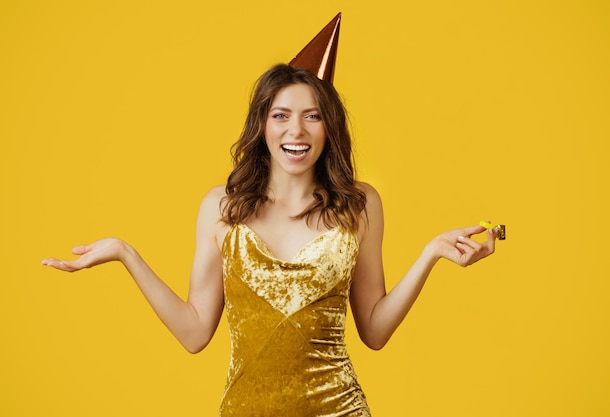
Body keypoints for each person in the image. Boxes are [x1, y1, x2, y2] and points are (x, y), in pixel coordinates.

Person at [41, 15, 499, 417]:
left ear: (329, 127)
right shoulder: (221, 208)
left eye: (312, 116)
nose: (295, 131)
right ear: (262, 125)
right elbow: (195, 332)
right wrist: (126, 254)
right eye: (281, 115)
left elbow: (374, 332)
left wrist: (430, 255)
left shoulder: (360, 204)